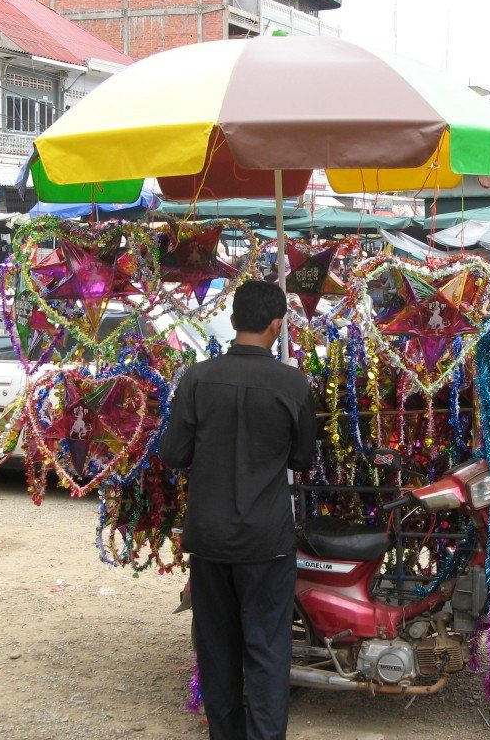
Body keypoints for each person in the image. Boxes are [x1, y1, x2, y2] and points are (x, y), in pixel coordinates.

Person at [160, 280, 317, 740]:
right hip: (266, 542)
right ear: (277, 325)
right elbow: (302, 459)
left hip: (210, 539)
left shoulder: (197, 378)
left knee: (217, 651)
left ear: (232, 322)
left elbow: (173, 453)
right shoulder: (293, 382)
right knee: (267, 652)